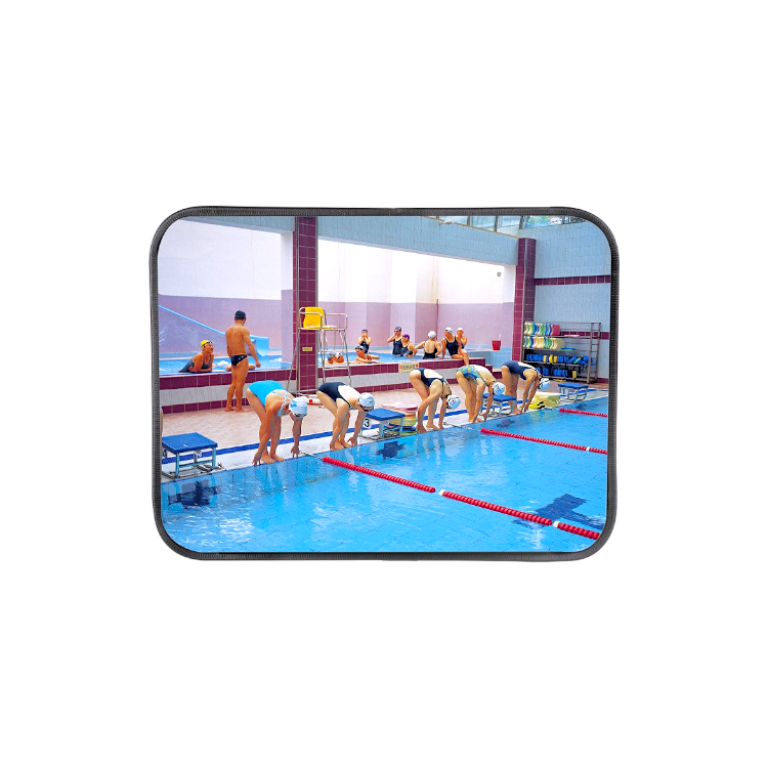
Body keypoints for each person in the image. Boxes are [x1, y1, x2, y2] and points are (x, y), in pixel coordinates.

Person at [245, 381, 308, 465]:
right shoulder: (274, 407)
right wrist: (259, 453)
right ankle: (264, 454)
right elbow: (268, 433)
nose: (299, 419)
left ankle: (273, 453)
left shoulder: (299, 407)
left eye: (301, 416)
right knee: (265, 422)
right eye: (297, 416)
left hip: (274, 387)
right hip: (254, 391)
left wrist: (296, 445)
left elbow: (296, 429)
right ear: (289, 410)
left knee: (277, 422)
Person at [316, 383, 375, 451]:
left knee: (347, 415)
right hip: (323, 392)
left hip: (341, 389)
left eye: (370, 409)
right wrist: (332, 443)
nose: (367, 412)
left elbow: (359, 421)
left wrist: (355, 437)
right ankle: (337, 441)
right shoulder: (344, 404)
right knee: (339, 416)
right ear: (358, 405)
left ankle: (342, 440)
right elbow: (339, 426)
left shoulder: (364, 405)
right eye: (366, 410)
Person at [225, 310, 260, 412]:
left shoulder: (228, 330)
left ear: (234, 318)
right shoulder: (243, 330)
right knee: (240, 383)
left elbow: (228, 347)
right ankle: (238, 407)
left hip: (234, 358)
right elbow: (250, 344)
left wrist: (231, 359)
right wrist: (256, 360)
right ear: (245, 319)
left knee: (233, 383)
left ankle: (228, 406)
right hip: (242, 357)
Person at [409, 367, 461, 432]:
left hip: (429, 377)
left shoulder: (449, 394)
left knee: (434, 400)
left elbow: (443, 408)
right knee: (426, 399)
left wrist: (440, 424)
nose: (446, 407)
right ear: (447, 401)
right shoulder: (438, 392)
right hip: (416, 374)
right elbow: (422, 407)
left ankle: (430, 423)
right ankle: (419, 425)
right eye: (447, 406)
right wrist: (420, 425)